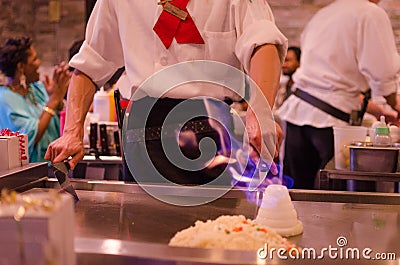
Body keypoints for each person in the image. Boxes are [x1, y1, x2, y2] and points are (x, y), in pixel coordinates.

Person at [45, 0, 288, 185]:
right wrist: (71, 132)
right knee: (143, 232)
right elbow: (91, 62)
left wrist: (260, 112)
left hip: (213, 136)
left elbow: (263, 40)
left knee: (214, 238)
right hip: (141, 140)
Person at [277, 0, 400, 189]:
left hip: (297, 116)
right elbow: (382, 72)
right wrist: (394, 103)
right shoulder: (370, 13)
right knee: (334, 199)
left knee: (299, 195)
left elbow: (331, 84)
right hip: (330, 126)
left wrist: (379, 111)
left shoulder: (323, 14)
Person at [0, 37, 71, 162]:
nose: (38, 63)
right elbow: (28, 137)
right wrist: (53, 100)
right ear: (21, 66)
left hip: (53, 166)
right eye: (34, 59)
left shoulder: (35, 89)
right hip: (29, 175)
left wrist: (58, 101)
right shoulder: (5, 99)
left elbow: (55, 119)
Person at [274, 46, 301, 112]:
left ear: (299, 62)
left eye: (287, 60)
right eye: (282, 61)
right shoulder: (281, 85)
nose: (283, 65)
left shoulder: (305, 88)